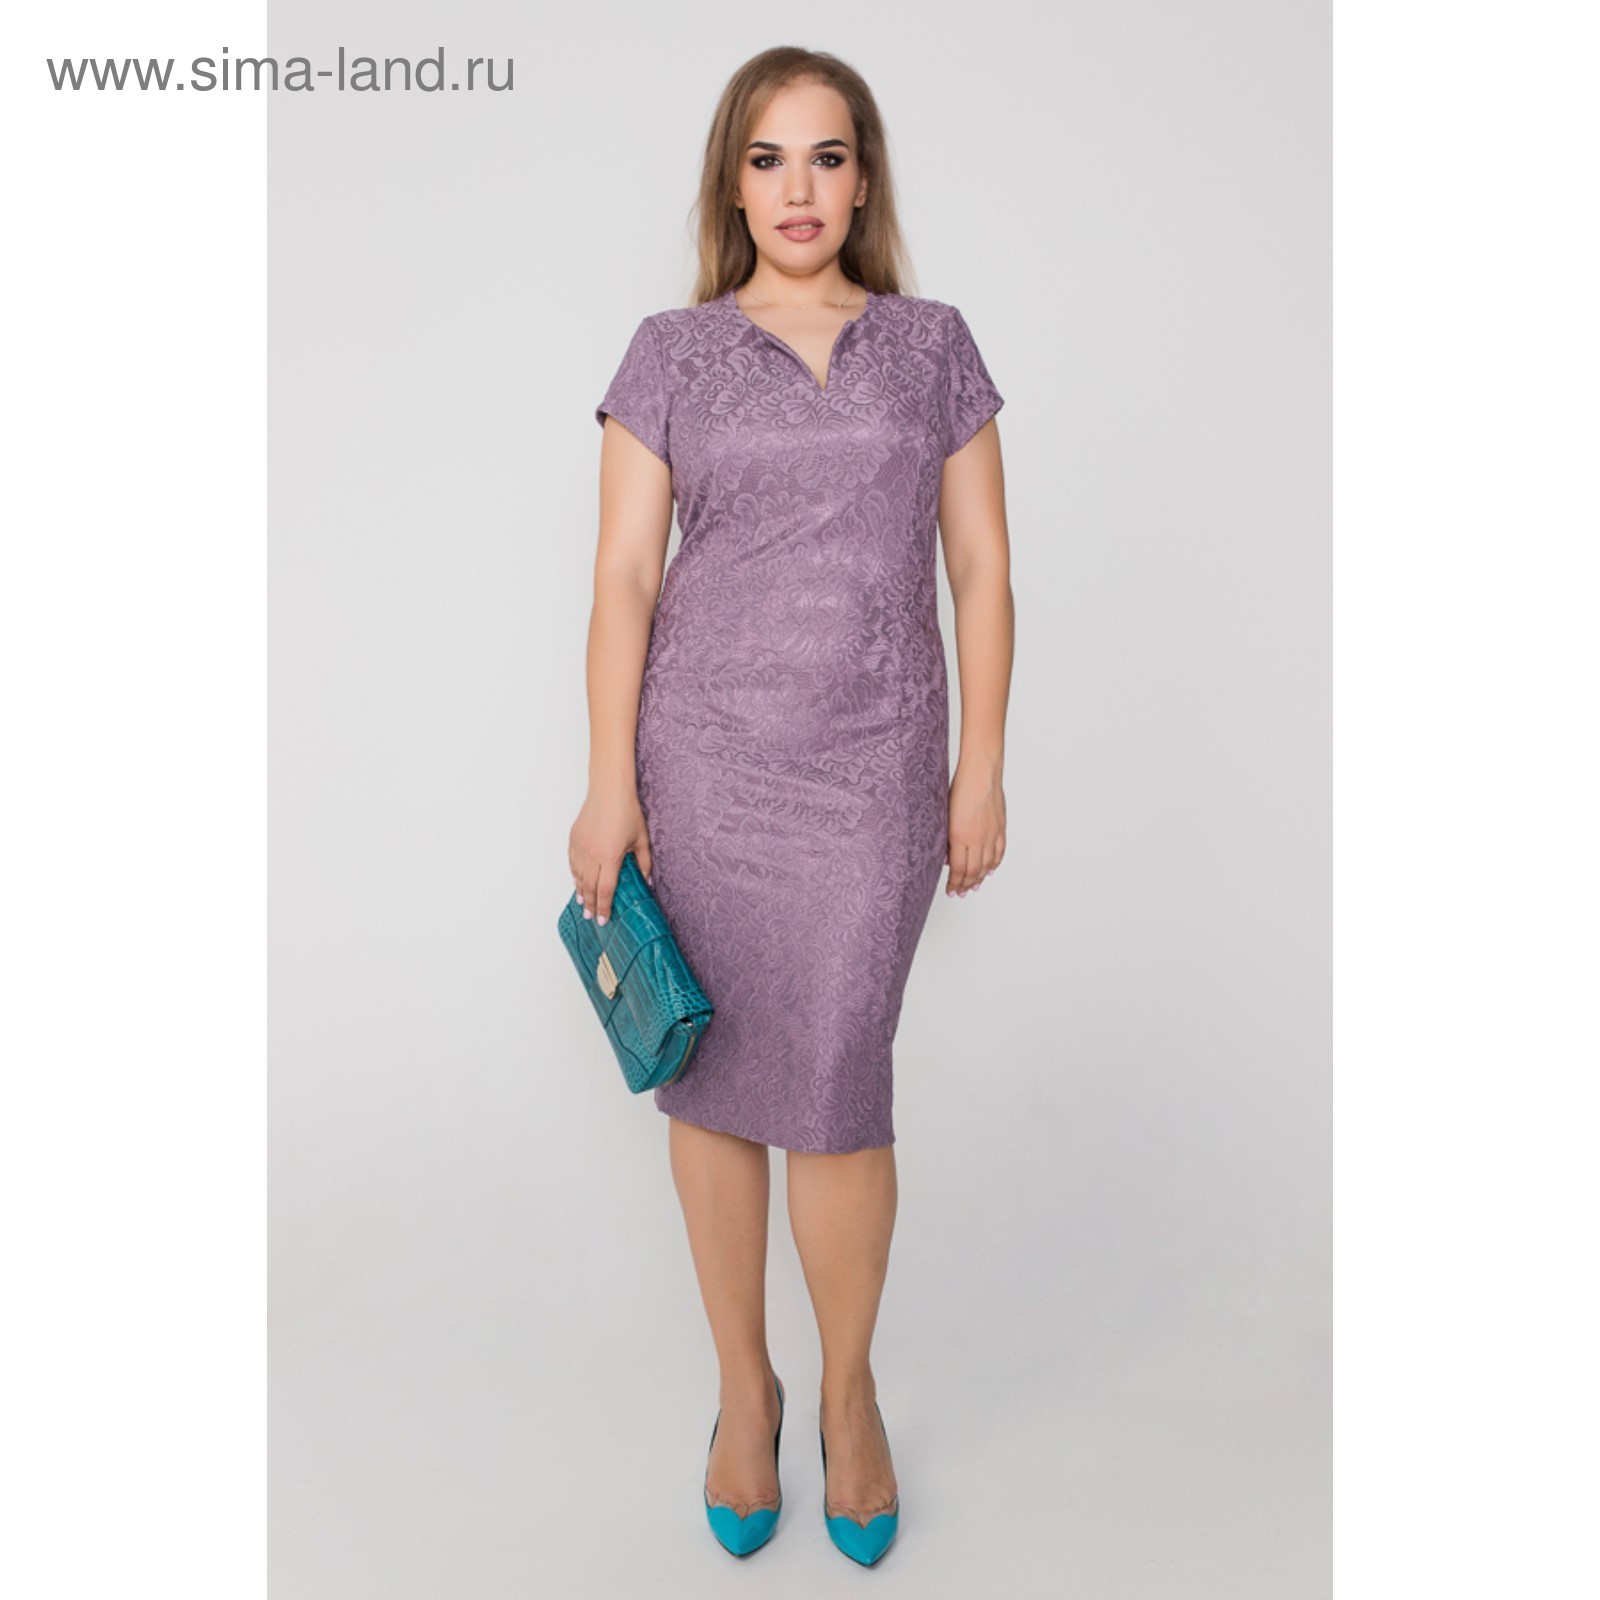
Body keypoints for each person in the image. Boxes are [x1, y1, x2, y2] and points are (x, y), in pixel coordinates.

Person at [568, 46, 1013, 1566]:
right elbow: (625, 580)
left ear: (865, 179)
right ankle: (745, 1391)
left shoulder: (933, 345)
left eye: (827, 157)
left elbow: (982, 570)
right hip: (705, 767)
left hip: (875, 766)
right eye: (768, 159)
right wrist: (608, 786)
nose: (799, 189)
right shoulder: (671, 352)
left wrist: (981, 763)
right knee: (711, 1086)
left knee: (835, 1082)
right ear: (732, 183)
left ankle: (848, 1389)